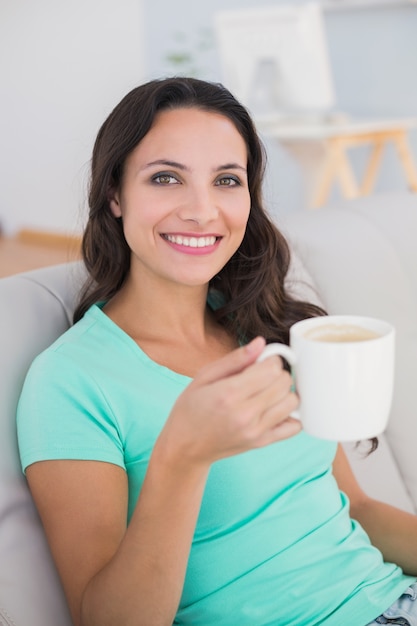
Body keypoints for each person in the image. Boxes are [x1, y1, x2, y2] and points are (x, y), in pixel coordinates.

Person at [16, 77, 417, 626]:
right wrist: (184, 456)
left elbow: (358, 509)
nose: (203, 211)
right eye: (165, 178)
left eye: (226, 180)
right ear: (114, 194)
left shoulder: (266, 326)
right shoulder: (71, 381)